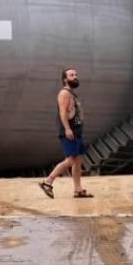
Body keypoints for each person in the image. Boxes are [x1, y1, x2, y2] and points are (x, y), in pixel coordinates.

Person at [38, 67, 94, 199]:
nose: (75, 76)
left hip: (76, 131)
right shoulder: (64, 93)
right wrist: (67, 129)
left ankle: (78, 190)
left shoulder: (71, 93)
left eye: (76, 74)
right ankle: (47, 182)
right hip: (69, 132)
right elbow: (62, 112)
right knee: (70, 160)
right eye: (71, 75)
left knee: (78, 160)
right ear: (65, 79)